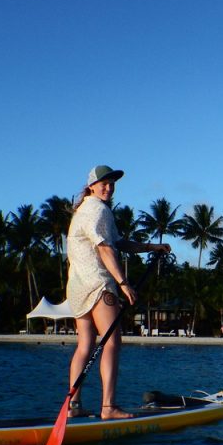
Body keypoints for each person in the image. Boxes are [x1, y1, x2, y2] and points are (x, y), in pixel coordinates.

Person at [66, 164, 171, 420]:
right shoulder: (98, 210)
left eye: (112, 184)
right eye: (104, 183)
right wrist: (123, 283)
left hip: (77, 287)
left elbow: (118, 242)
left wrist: (150, 247)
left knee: (85, 346)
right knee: (112, 342)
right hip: (98, 284)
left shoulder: (84, 211)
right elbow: (105, 249)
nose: (109, 188)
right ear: (91, 185)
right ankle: (109, 407)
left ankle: (74, 408)